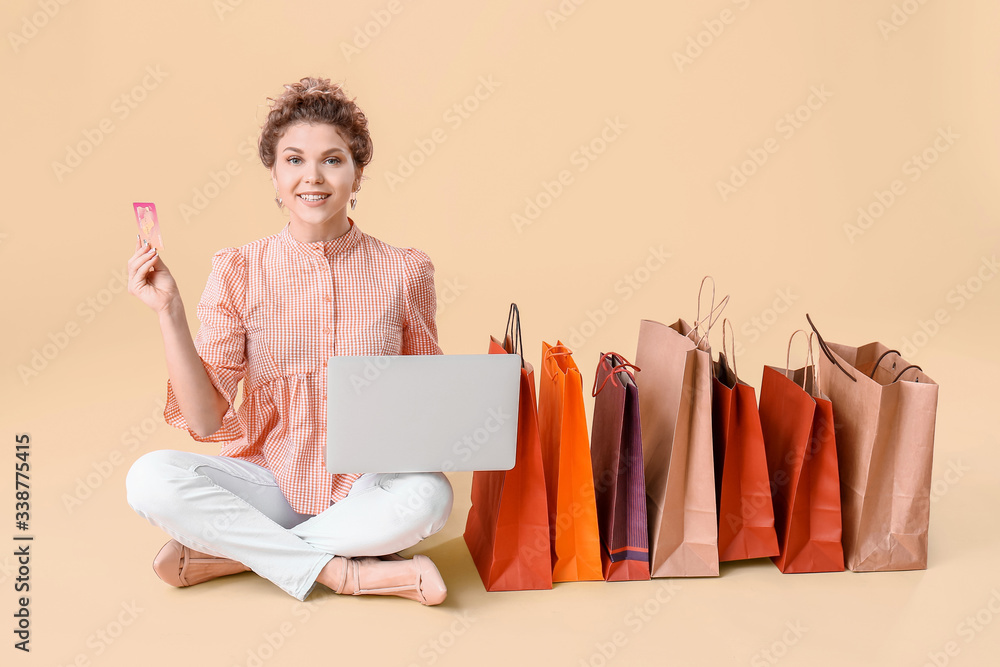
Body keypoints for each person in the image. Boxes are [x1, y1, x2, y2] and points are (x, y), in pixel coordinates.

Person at [124, 77, 454, 605]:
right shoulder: (238, 269)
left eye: (333, 160)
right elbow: (207, 421)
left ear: (358, 172)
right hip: (268, 484)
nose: (313, 178)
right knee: (148, 478)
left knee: (431, 496)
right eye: (294, 160)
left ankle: (233, 556)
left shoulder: (406, 269)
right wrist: (169, 310)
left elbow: (427, 399)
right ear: (274, 176)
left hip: (364, 488)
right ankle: (350, 574)